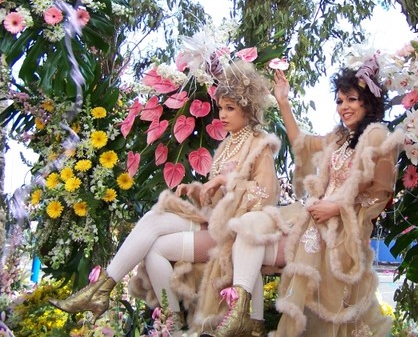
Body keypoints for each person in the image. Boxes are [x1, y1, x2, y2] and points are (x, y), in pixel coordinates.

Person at [49, 61, 281, 335]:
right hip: (214, 221)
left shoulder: (259, 143)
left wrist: (226, 181)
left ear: (248, 108)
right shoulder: (228, 144)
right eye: (221, 107)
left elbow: (267, 195)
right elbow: (217, 197)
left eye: (230, 108)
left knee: (156, 248)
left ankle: (160, 320)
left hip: (234, 232)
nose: (222, 115)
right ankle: (127, 300)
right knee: (154, 222)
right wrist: (198, 190)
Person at [199, 60, 400, 337]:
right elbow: (302, 143)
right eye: (340, 101)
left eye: (352, 99)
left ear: (369, 101)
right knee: (248, 230)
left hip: (342, 231)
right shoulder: (341, 138)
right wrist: (283, 102)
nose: (344, 107)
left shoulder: (378, 136)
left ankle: (250, 320)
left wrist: (335, 208)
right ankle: (243, 317)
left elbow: (379, 193)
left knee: (327, 307)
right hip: (312, 219)